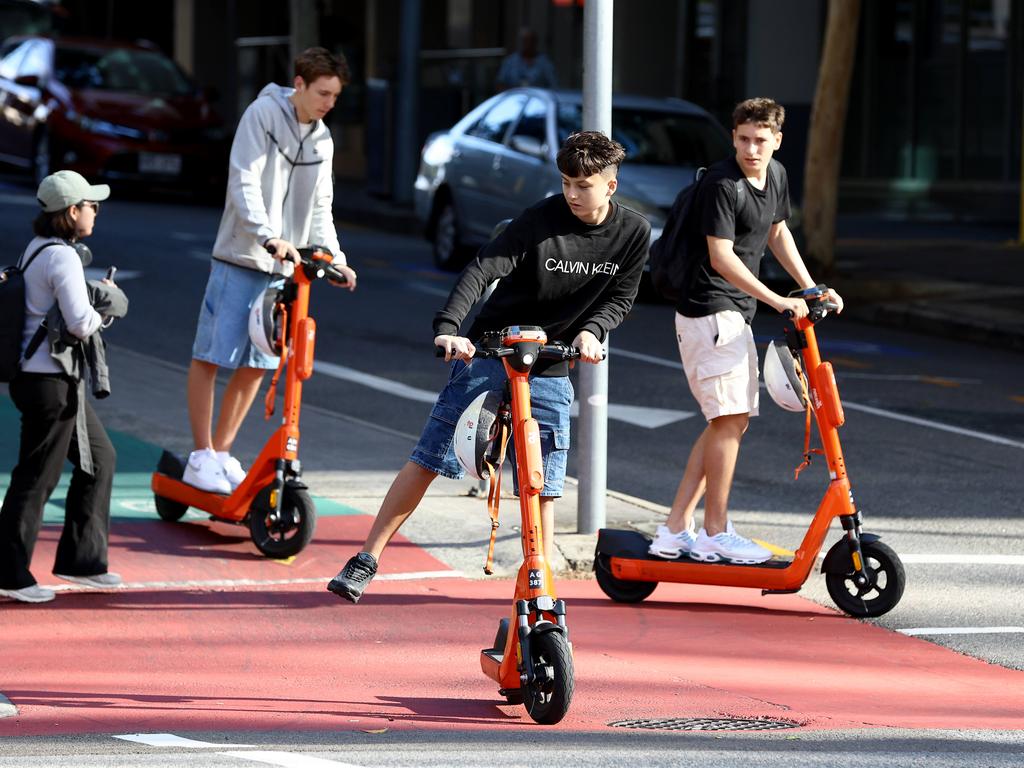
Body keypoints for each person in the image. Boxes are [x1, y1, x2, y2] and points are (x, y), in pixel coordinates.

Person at [327, 131, 649, 603]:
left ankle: (538, 585)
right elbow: (483, 269)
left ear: (611, 185)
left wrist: (592, 331)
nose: (573, 194)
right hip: (494, 349)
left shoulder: (633, 232)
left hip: (553, 360)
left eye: (585, 185)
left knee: (543, 482)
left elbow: (622, 296)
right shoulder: (539, 219)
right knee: (430, 457)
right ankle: (366, 558)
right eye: (566, 183)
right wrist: (449, 327)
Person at [648, 97, 844, 564]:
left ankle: (675, 530)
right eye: (742, 139)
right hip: (708, 313)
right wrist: (777, 299)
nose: (750, 149)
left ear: (777, 140)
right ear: (733, 137)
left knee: (726, 422)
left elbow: (777, 233)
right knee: (729, 421)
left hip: (734, 315)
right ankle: (715, 531)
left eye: (760, 140)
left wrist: (809, 286)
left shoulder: (774, 175)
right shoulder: (721, 183)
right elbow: (721, 256)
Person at [184, 46, 358, 494]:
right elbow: (243, 180)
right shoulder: (260, 115)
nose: (328, 104)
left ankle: (221, 453)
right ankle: (199, 454)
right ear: (298, 85)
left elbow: (322, 208)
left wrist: (335, 258)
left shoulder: (322, 139)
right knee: (212, 356)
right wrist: (266, 234)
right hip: (241, 256)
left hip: (285, 269)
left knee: (259, 363)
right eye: (322, 93)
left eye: (335, 96)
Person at [0, 170, 126, 603]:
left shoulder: (39, 249)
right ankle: (10, 573)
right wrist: (107, 302)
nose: (95, 211)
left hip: (45, 380)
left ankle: (83, 562)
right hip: (48, 383)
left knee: (100, 460)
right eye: (91, 205)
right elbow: (79, 323)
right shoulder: (63, 257)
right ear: (72, 212)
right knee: (37, 475)